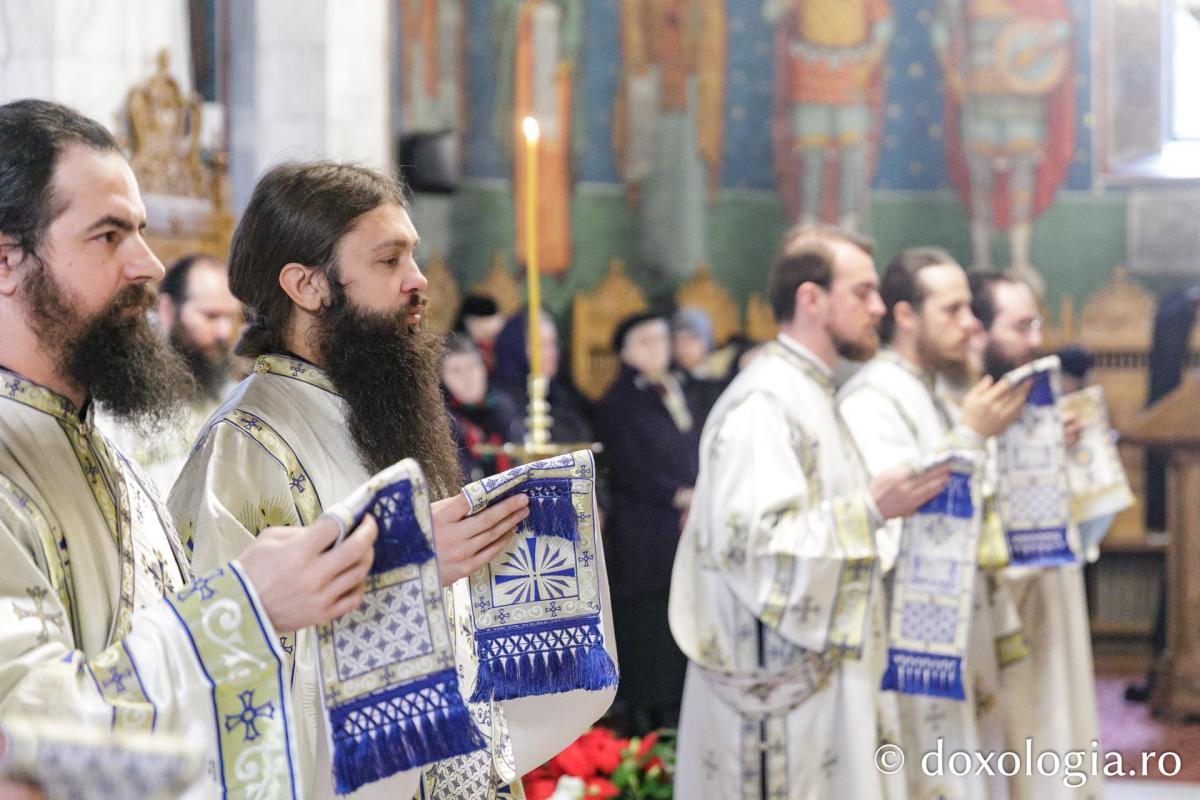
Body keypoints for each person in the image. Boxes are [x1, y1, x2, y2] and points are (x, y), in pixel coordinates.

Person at [169, 160, 615, 799]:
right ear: (307, 285)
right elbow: (226, 665)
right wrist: (408, 570)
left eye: (413, 255)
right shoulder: (245, 445)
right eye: (389, 260)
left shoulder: (378, 407)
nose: (419, 279)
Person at [0, 99, 380, 799]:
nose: (148, 265)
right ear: (6, 261)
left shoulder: (96, 450)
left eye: (140, 232)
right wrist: (242, 608)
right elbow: (23, 738)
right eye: (109, 235)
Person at [668, 227, 952, 798]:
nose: (878, 308)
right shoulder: (765, 403)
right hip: (777, 706)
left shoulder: (810, 390)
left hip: (823, 687)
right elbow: (754, 547)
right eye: (863, 292)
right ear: (811, 299)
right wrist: (870, 511)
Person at [838, 247, 1029, 799]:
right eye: (952, 309)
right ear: (905, 315)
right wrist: (970, 437)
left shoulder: (932, 391)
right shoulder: (872, 399)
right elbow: (899, 520)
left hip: (959, 627)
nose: (971, 324)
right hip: (911, 637)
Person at [969, 270, 1101, 800]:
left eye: (1037, 324)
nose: (1036, 340)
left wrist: (1058, 455)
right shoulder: (964, 410)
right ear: (979, 330)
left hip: (1050, 601)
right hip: (1002, 620)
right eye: (1020, 327)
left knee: (1056, 729)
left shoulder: (1033, 403)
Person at [596, 311, 700, 736]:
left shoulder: (683, 388)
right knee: (649, 627)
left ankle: (680, 711)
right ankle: (648, 722)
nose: (656, 348)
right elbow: (629, 465)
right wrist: (678, 495)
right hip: (645, 530)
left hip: (687, 522)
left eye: (661, 339)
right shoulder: (617, 402)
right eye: (644, 341)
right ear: (624, 352)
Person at [97, 253, 242, 494]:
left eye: (230, 317)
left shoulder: (219, 377)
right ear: (167, 309)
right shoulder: (124, 379)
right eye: (211, 316)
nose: (224, 332)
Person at [492, 308, 594, 445]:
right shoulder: (501, 403)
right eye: (541, 345)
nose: (551, 354)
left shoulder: (563, 393)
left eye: (553, 344)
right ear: (517, 348)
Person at [441, 333, 524, 482]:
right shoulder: (444, 421)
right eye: (456, 371)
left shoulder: (503, 408)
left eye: (472, 366)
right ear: (442, 378)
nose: (467, 377)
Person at [453, 294, 506, 372]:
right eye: (485, 332)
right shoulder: (459, 346)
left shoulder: (504, 343)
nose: (490, 339)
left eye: (494, 334)